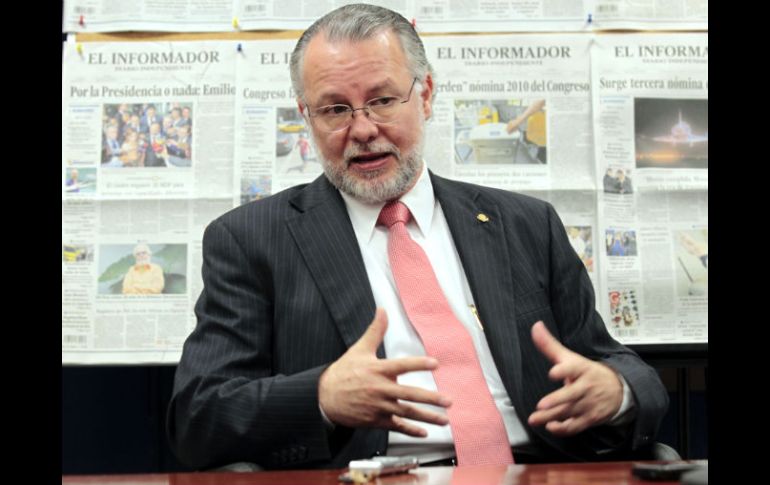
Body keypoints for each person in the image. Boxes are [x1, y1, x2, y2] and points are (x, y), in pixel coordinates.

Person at [168, 4, 668, 471]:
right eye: (335, 109)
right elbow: (198, 416)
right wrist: (320, 395)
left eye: (382, 100)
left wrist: (616, 389)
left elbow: (616, 363)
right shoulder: (251, 239)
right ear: (307, 117)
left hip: (534, 469)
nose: (362, 129)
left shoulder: (526, 224)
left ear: (425, 95)